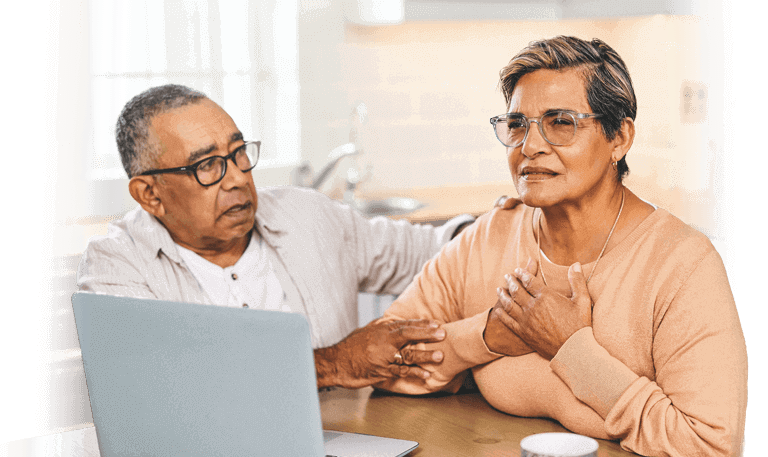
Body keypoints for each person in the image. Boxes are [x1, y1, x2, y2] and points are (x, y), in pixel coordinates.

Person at [373, 36, 746, 457]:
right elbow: (377, 362)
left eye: (561, 122)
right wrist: (487, 336)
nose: (530, 147)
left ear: (619, 138)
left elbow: (709, 445)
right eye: (517, 125)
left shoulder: (682, 266)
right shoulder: (492, 236)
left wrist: (570, 347)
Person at [75, 84, 518, 390]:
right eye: (207, 165)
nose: (236, 179)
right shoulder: (117, 266)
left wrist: (506, 223)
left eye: (238, 152)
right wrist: (335, 364)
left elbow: (428, 251)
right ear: (149, 194)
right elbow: (171, 384)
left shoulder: (305, 214)